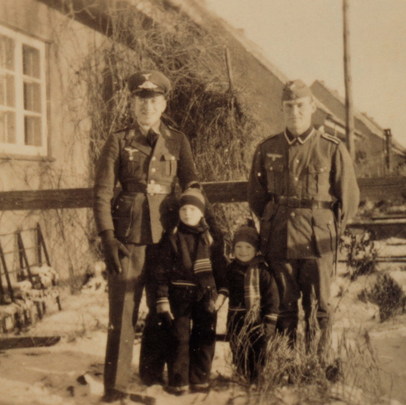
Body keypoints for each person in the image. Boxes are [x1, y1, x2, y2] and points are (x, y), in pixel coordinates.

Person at [93, 70, 199, 401]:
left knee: (163, 306)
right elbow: (101, 193)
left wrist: (192, 229)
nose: (146, 107)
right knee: (123, 310)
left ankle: (156, 374)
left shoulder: (177, 140)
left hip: (167, 237)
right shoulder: (118, 140)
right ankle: (116, 386)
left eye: (153, 101)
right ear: (132, 103)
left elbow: (192, 186)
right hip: (128, 238)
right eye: (141, 100)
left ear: (164, 104)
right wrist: (107, 236)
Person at [248, 80, 359, 352]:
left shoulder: (332, 148)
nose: (294, 112)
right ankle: (287, 362)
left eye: (300, 106)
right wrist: (273, 222)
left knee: (318, 307)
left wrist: (331, 232)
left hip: (317, 240)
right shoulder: (266, 148)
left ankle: (315, 365)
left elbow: (349, 198)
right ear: (281, 109)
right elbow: (256, 195)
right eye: (288, 106)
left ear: (312, 108)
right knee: (283, 306)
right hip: (278, 238)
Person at [153, 186, 227, 395]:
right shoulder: (173, 238)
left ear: (202, 213)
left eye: (193, 210)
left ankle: (200, 378)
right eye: (184, 209)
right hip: (180, 296)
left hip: (206, 296)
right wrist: (163, 298)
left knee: (205, 336)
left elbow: (220, 268)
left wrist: (221, 292)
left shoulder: (211, 238)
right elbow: (162, 272)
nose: (188, 213)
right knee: (179, 338)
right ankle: (178, 380)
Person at [224, 221, 279, 381]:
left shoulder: (262, 271)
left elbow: (272, 297)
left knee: (257, 350)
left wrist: (270, 321)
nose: (243, 251)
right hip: (235, 318)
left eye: (248, 247)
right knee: (238, 347)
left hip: (257, 319)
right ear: (233, 249)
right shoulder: (231, 269)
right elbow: (223, 286)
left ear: (256, 250)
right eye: (239, 247)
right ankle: (241, 374)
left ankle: (256, 379)